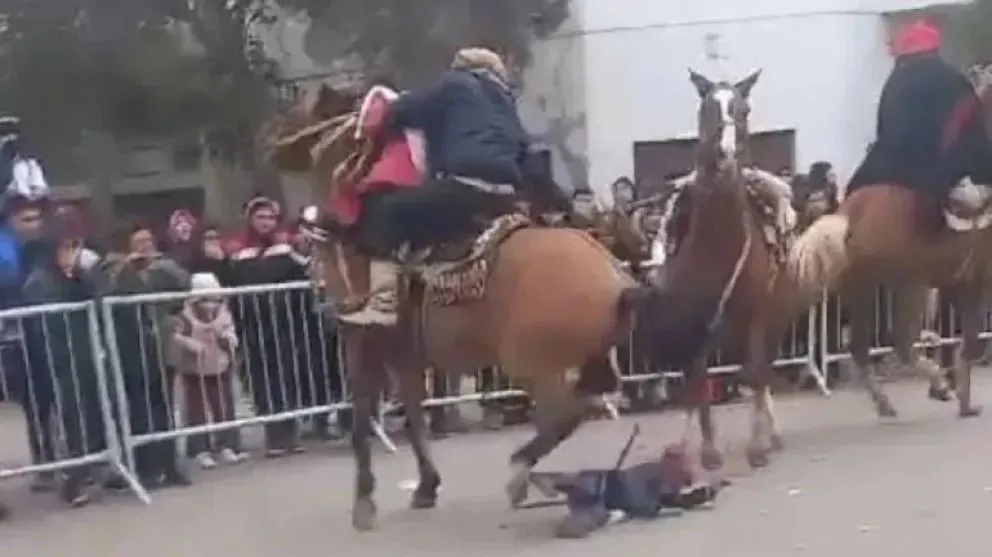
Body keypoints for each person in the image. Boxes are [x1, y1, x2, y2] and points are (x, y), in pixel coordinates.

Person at [344, 47, 533, 326]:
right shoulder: (506, 100)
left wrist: (387, 109)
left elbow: (407, 110)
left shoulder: (455, 83)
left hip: (464, 187)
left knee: (387, 211)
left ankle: (384, 302)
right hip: (505, 195)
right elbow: (523, 146)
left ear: (461, 66)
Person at [848, 19, 992, 200]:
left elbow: (883, 129)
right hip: (936, 171)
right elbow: (971, 123)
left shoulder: (894, 81)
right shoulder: (951, 79)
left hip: (883, 167)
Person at [21, 216, 105, 507]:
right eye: (66, 247)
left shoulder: (73, 275)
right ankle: (72, 480)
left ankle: (87, 469)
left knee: (87, 416)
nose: (71, 253)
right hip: (55, 361)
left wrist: (79, 275)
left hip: (81, 356)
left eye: (74, 247)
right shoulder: (39, 281)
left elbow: (96, 297)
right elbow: (47, 320)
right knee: (69, 421)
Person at [227, 195, 308, 457]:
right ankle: (273, 434)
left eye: (271, 218)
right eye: (260, 217)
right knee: (261, 380)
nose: (266, 222)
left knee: (287, 376)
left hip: (284, 326)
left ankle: (290, 433)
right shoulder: (239, 254)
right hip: (253, 328)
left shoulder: (286, 251)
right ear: (250, 220)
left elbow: (303, 279)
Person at [172, 272, 248, 468]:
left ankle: (228, 444)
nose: (210, 304)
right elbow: (175, 336)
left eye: (214, 299)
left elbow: (232, 334)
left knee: (224, 405)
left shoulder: (224, 314)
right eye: (205, 300)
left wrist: (227, 338)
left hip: (220, 365)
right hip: (194, 370)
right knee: (196, 409)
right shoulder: (185, 317)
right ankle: (200, 448)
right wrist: (190, 344)